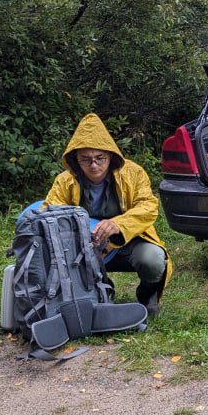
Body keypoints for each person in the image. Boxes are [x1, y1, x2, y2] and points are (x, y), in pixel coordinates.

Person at [45, 113, 172, 314]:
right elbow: (49, 211)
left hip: (131, 240)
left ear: (110, 155)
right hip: (84, 248)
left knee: (153, 259)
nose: (93, 165)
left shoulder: (133, 172)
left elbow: (148, 205)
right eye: (85, 159)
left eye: (99, 158)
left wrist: (119, 224)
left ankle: (148, 294)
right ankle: (100, 288)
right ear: (76, 159)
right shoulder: (65, 180)